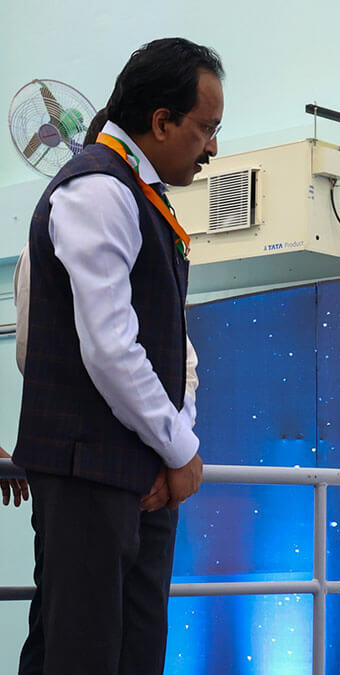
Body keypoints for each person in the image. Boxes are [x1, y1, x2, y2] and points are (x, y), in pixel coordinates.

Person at [12, 37, 223, 675]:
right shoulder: (97, 191)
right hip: (87, 477)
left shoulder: (139, 195)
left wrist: (169, 447)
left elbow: (166, 348)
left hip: (134, 475)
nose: (213, 148)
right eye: (205, 129)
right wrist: (180, 449)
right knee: (82, 655)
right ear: (161, 122)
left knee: (134, 653)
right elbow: (109, 347)